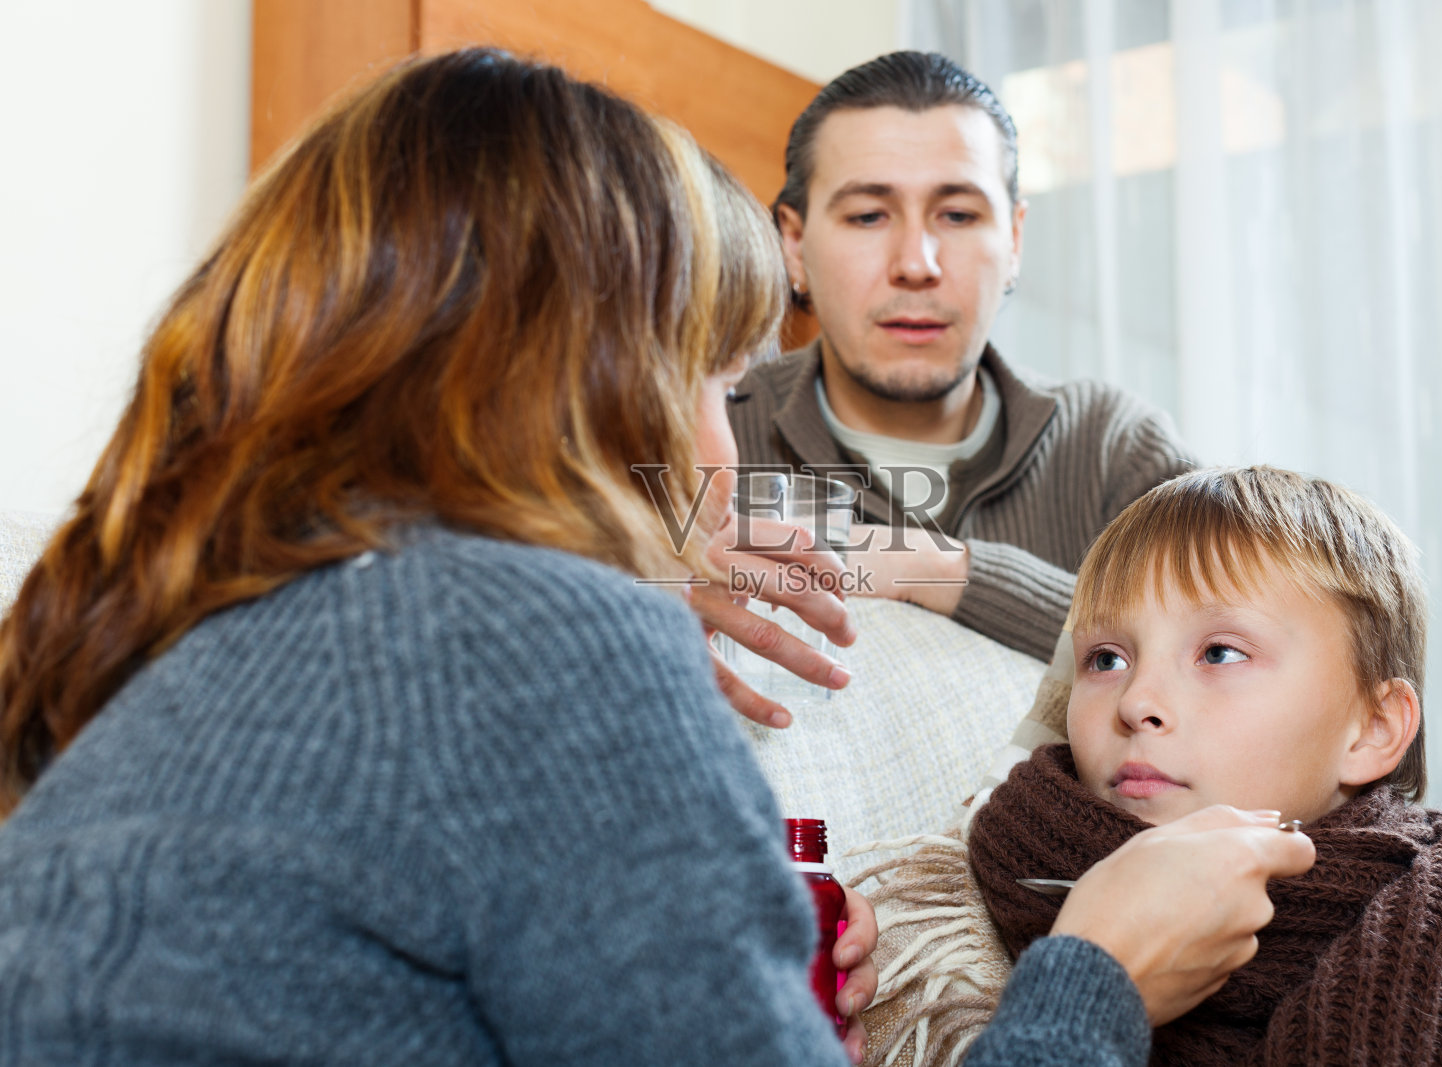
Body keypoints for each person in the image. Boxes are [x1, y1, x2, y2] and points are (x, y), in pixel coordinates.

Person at [0, 48, 1311, 1067]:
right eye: (710, 383)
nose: (720, 457)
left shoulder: (180, 649)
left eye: (958, 212)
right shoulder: (539, 633)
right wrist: (1100, 971)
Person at [965, 467, 1442, 1064]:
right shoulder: (976, 886)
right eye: (1106, 659)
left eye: (1220, 652)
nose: (1136, 703)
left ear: (1373, 730)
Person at [726, 51, 1196, 669]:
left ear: (1014, 239)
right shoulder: (706, 431)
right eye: (868, 216)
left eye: (957, 215)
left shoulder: (1113, 449)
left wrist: (944, 571)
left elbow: (1227, 653)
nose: (916, 263)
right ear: (793, 243)